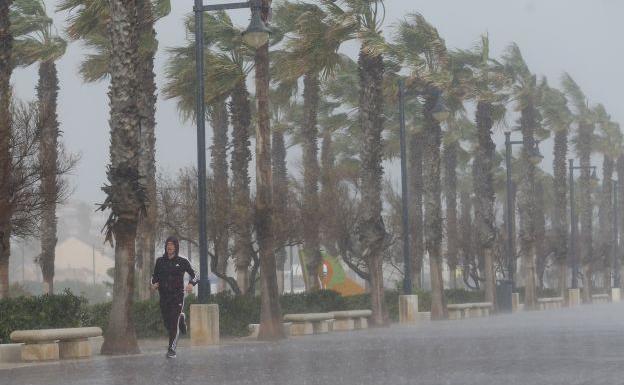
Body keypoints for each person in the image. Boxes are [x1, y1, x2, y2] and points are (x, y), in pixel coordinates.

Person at [151, 236, 197, 358]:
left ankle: (172, 349)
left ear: (176, 247)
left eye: (172, 244)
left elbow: (195, 274)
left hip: (177, 297)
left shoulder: (182, 261)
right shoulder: (160, 261)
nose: (169, 246)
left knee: (173, 324)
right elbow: (154, 276)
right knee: (167, 323)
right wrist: (154, 283)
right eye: (167, 244)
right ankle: (181, 319)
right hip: (164, 297)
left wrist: (191, 284)